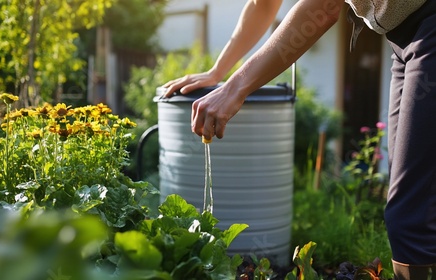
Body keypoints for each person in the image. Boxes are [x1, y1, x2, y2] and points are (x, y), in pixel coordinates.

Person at [161, 0, 436, 279]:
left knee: (411, 216)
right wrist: (218, 72)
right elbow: (263, 4)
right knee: (414, 210)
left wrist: (235, 88)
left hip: (429, 25)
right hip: (402, 39)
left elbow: (323, 8)